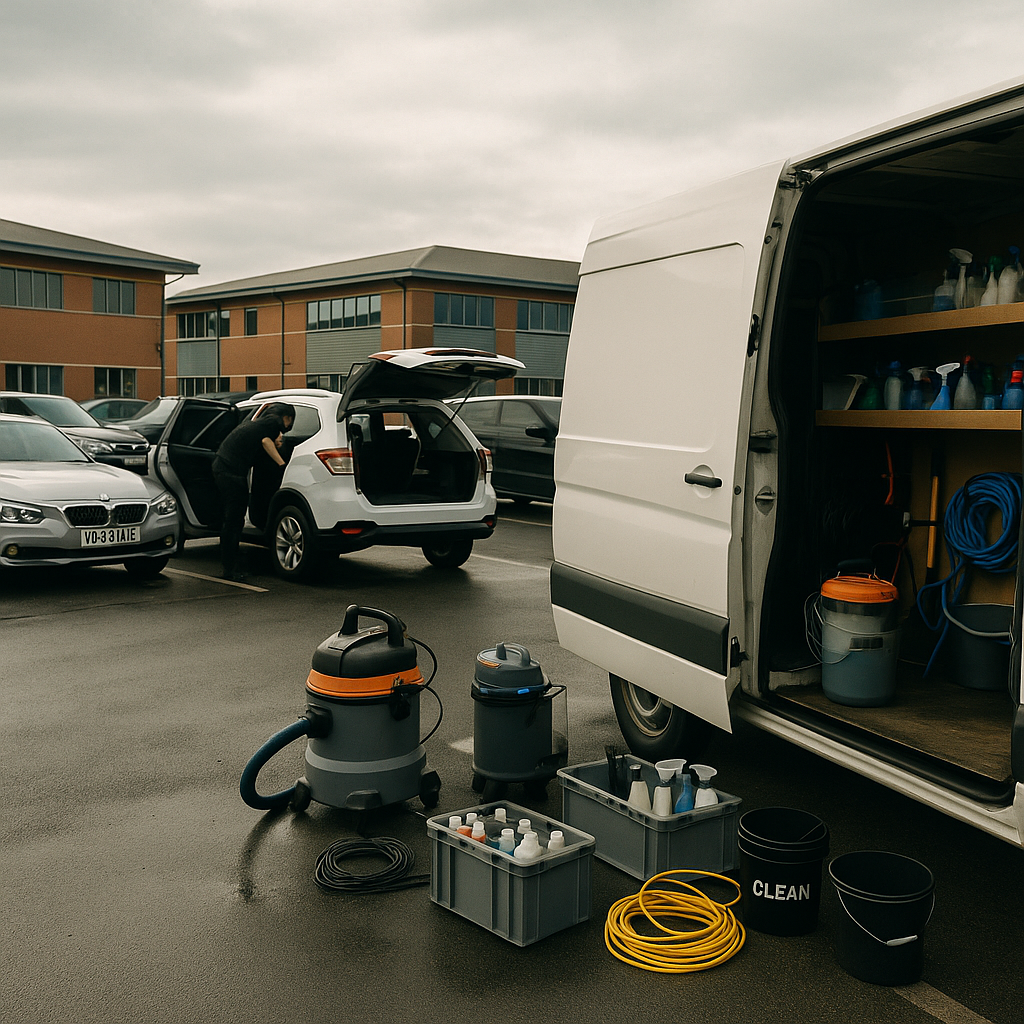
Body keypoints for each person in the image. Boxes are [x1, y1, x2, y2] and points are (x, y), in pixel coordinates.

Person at [212, 402, 295, 581]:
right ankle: (230, 569)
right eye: (289, 422)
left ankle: (231, 563)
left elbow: (264, 441)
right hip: (231, 471)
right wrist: (282, 465)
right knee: (234, 521)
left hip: (223, 466)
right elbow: (266, 441)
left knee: (231, 520)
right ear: (286, 417)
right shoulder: (273, 423)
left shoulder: (259, 423)